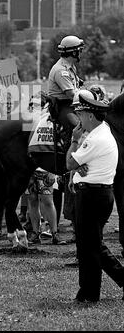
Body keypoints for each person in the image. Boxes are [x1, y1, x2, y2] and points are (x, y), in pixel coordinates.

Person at [66, 90, 124, 302]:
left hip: (92, 196)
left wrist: (74, 141)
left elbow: (70, 163)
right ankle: (90, 290)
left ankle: (90, 293)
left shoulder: (95, 138)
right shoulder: (102, 130)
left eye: (80, 113)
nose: (78, 117)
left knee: (88, 247)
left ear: (90, 115)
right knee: (91, 245)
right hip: (96, 194)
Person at [48, 35, 84, 130]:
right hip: (63, 107)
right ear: (74, 53)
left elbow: (76, 86)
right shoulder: (60, 71)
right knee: (79, 127)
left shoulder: (70, 66)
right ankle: (68, 144)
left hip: (72, 104)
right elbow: (71, 95)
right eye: (80, 51)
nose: (81, 53)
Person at [26, 170, 66, 245]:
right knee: (32, 201)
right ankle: (35, 233)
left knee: (48, 201)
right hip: (29, 170)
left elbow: (53, 157)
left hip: (46, 170)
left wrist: (52, 172)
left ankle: (54, 233)